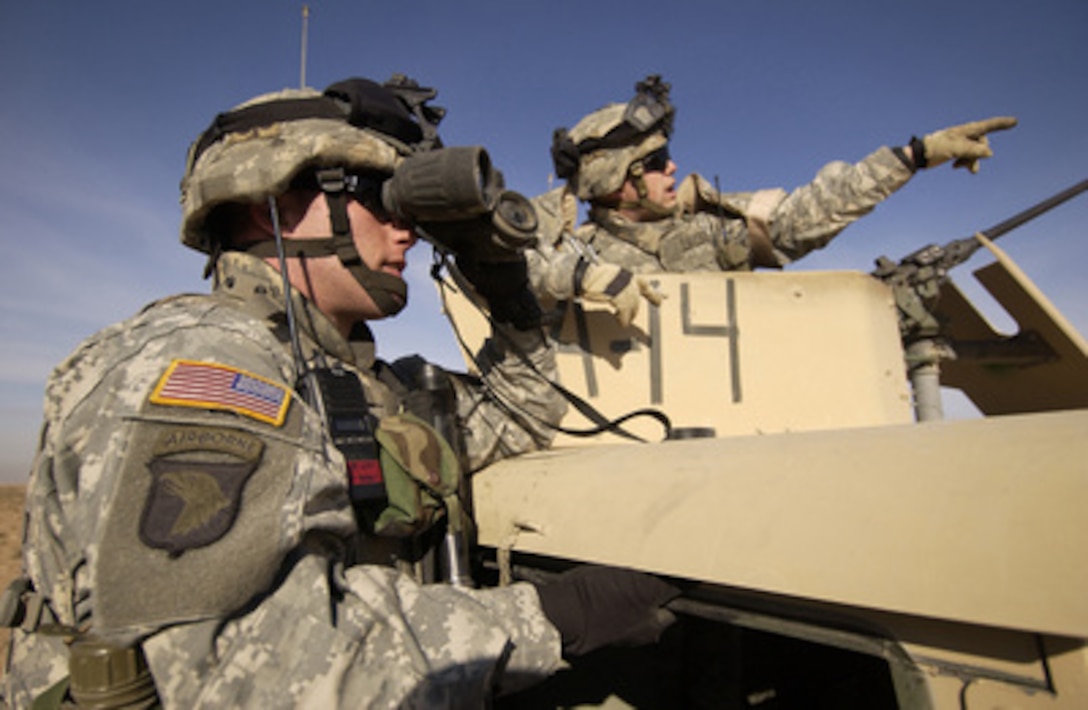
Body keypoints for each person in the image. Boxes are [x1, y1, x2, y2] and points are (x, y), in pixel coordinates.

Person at [0, 76, 679, 708]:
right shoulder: (200, 368)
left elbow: (524, 409)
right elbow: (249, 674)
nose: (406, 227)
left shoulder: (358, 384)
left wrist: (497, 273)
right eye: (379, 196)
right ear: (277, 207)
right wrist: (553, 617)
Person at [541, 74, 1017, 276]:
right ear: (610, 183)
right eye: (653, 161)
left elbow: (801, 218)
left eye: (668, 153)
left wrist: (913, 155)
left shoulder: (702, 236)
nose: (673, 167)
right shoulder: (574, 262)